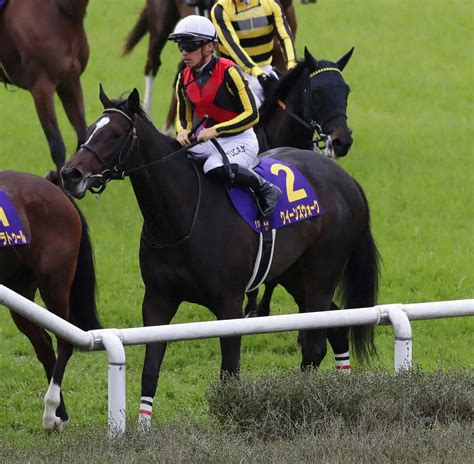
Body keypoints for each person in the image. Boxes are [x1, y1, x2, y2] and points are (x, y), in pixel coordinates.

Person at [168, 15, 282, 218]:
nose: (185, 52)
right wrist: (182, 130)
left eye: (191, 46)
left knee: (213, 167)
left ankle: (266, 189)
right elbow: (183, 117)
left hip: (241, 140)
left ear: (209, 47)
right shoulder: (182, 79)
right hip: (209, 141)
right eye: (181, 47)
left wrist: (216, 130)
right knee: (173, 160)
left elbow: (252, 115)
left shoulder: (230, 71)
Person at [210, 0, 297, 107]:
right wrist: (258, 74)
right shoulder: (220, 10)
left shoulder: (272, 3)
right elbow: (233, 47)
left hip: (266, 68)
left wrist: (292, 66)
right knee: (255, 108)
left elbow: (285, 37)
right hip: (235, 73)